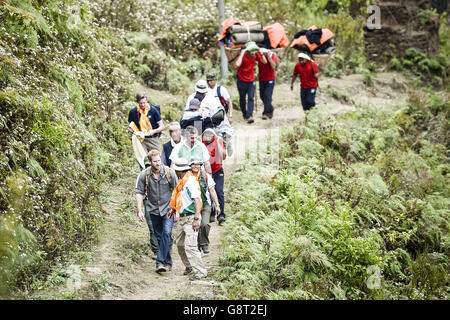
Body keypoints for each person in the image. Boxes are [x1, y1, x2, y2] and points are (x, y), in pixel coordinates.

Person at [135, 150, 177, 272]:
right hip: (153, 209)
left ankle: (159, 263)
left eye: (159, 160)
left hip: (168, 209)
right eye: (155, 161)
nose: (158, 163)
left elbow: (177, 191)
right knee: (159, 236)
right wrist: (140, 210)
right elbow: (139, 192)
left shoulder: (170, 173)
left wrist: (177, 210)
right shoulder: (144, 175)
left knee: (167, 233)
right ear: (150, 162)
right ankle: (167, 262)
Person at [168, 159, 207, 280]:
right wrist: (174, 210)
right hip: (183, 218)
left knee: (191, 246)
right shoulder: (182, 182)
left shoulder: (190, 182)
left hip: (191, 218)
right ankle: (189, 266)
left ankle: (201, 272)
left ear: (179, 171)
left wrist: (196, 218)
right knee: (180, 244)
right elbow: (182, 200)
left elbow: (197, 200)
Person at [189, 156, 220, 254]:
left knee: (205, 224)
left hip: (205, 204)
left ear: (200, 165)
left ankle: (204, 244)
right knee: (196, 225)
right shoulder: (187, 177)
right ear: (190, 165)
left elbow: (212, 190)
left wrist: (217, 204)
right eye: (193, 164)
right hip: (192, 206)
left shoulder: (205, 176)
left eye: (198, 164)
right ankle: (198, 245)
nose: (195, 166)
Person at [235, 41, 267, 124]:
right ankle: (244, 114)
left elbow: (264, 61)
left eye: (254, 51)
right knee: (242, 99)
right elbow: (237, 64)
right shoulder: (243, 55)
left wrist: (260, 52)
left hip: (251, 81)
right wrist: (242, 53)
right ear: (248, 51)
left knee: (251, 98)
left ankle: (250, 115)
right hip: (241, 80)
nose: (253, 53)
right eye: (252, 51)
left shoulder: (256, 55)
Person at [128, 92, 165, 162]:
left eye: (144, 103)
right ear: (137, 102)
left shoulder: (153, 110)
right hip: (141, 140)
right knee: (143, 160)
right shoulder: (133, 112)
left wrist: (153, 131)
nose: (142, 105)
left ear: (147, 101)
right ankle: (144, 172)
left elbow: (162, 126)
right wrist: (135, 132)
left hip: (153, 139)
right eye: (140, 103)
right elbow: (130, 127)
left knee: (156, 160)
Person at [201, 128, 226, 225]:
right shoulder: (201, 142)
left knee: (219, 191)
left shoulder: (217, 140)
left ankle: (221, 215)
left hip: (217, 170)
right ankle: (211, 212)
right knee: (208, 191)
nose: (207, 137)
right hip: (206, 171)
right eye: (205, 135)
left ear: (213, 136)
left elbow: (223, 156)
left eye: (210, 135)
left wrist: (219, 143)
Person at [258, 48, 278, 120]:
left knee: (267, 96)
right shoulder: (259, 55)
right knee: (262, 96)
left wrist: (269, 59)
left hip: (270, 79)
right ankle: (270, 108)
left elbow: (273, 66)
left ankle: (265, 113)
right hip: (261, 79)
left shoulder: (272, 55)